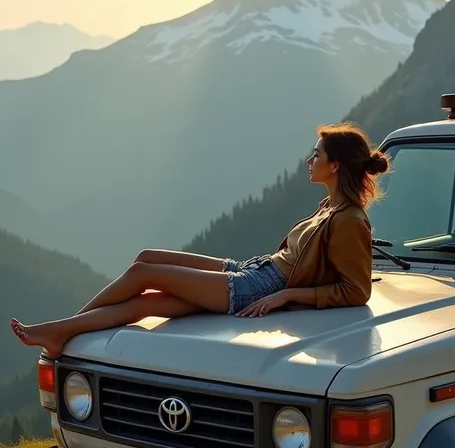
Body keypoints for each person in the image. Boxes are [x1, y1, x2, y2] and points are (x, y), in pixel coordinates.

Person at [10, 122, 389, 358]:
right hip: (255, 271)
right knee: (146, 287)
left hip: (258, 287)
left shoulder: (350, 220)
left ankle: (65, 330)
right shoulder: (329, 206)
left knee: (144, 273)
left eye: (316, 154)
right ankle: (66, 333)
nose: (309, 160)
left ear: (335, 165)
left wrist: (289, 295)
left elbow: (356, 291)